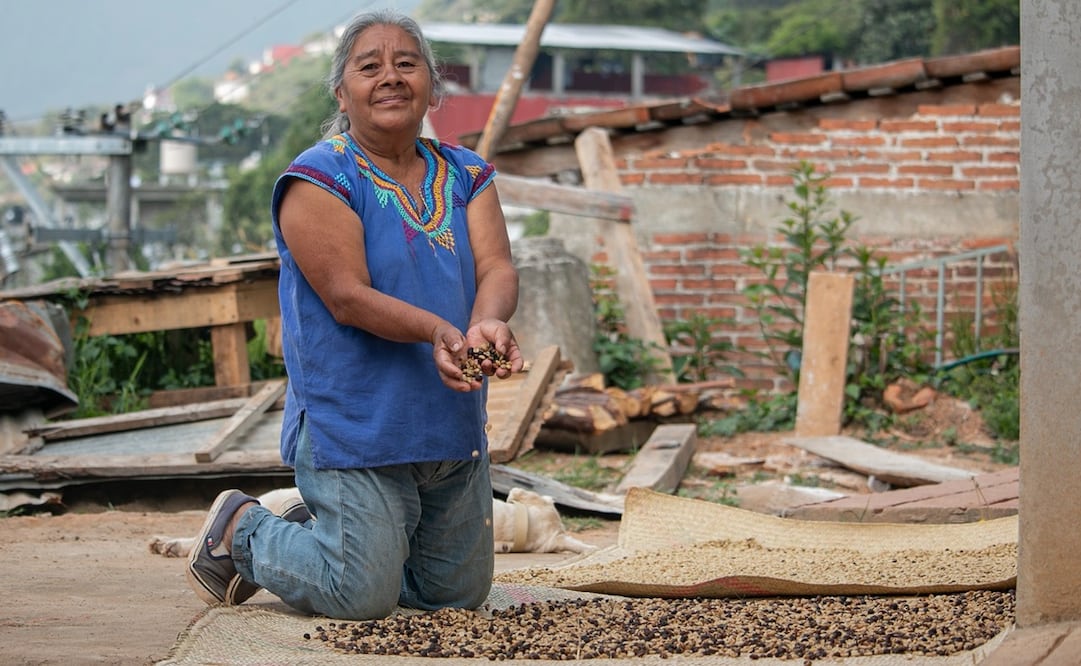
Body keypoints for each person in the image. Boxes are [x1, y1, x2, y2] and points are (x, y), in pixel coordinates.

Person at [186, 8, 523, 621]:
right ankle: (246, 528)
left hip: (449, 420)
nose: (390, 77)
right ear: (343, 92)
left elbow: (497, 266)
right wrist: (438, 330)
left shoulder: (468, 174)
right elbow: (345, 295)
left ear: (431, 85)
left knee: (454, 598)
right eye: (370, 67)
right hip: (357, 422)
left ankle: (332, 538)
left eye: (406, 63)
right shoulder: (319, 177)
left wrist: (487, 324)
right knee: (360, 595)